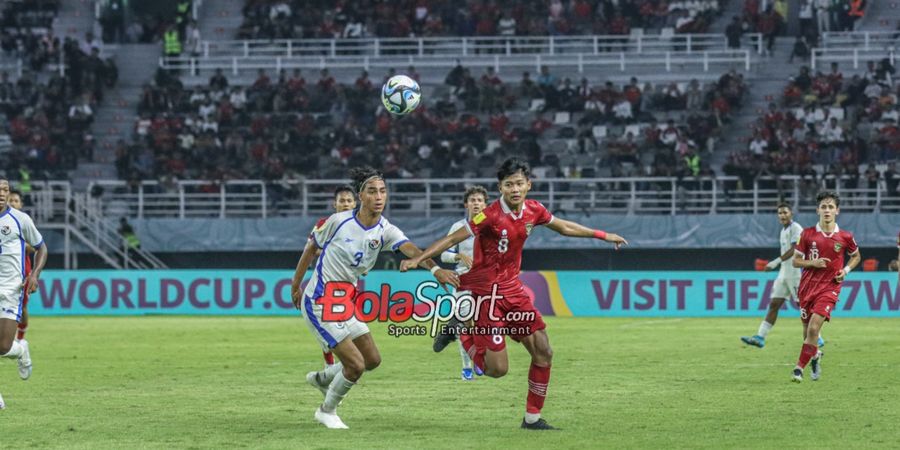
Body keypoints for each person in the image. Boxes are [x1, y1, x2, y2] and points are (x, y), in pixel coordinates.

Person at [399, 158, 627, 430]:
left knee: (544, 351)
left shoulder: (534, 210)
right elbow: (452, 239)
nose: (515, 189)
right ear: (501, 188)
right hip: (485, 294)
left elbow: (564, 227)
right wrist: (419, 259)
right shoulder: (489, 215)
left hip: (513, 291)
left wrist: (603, 235)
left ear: (528, 185)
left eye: (519, 183)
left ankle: (532, 419)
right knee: (497, 370)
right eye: (509, 185)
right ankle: (462, 330)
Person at [295, 167, 458, 429]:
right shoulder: (338, 222)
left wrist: (435, 268)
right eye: (372, 191)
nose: (379, 196)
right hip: (320, 301)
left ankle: (324, 379)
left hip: (345, 302)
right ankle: (327, 410)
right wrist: (296, 286)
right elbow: (310, 247)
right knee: (356, 366)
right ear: (361, 195)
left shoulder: (385, 229)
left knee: (372, 360)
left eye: (383, 191)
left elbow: (411, 249)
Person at [790, 191, 861, 382]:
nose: (827, 210)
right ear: (817, 210)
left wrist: (845, 271)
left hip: (829, 288)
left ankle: (798, 369)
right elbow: (795, 262)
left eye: (831, 207)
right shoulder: (806, 234)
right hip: (807, 287)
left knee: (814, 329)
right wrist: (813, 263)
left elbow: (856, 256)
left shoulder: (845, 236)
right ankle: (815, 355)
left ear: (837, 211)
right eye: (824, 206)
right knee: (807, 332)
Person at [291, 185, 357, 370]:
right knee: (329, 323)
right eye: (342, 201)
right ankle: (332, 367)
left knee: (345, 324)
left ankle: (344, 367)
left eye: (349, 201)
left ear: (355, 203)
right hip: (326, 282)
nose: (345, 204)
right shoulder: (325, 224)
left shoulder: (361, 227)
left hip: (348, 283)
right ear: (334, 204)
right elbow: (311, 249)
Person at [741, 204, 824, 348]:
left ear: (791, 213)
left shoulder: (796, 228)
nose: (782, 215)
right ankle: (760, 337)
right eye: (779, 213)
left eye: (785, 212)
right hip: (784, 273)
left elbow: (795, 249)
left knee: (803, 306)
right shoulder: (783, 230)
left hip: (795, 273)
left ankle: (817, 337)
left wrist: (775, 262)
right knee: (774, 304)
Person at [0, 179, 47, 409]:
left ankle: (21, 349)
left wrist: (34, 274)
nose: (2, 194)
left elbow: (41, 248)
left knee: (2, 347)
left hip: (10, 290)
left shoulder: (20, 219)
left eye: (5, 190)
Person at [438, 185, 489, 380]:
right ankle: (467, 365)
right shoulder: (458, 227)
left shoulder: (492, 226)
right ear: (466, 204)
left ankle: (479, 358)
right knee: (465, 323)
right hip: (463, 281)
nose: (476, 203)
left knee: (484, 324)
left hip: (486, 282)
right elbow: (444, 254)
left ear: (485, 204)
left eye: (479, 200)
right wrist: (458, 256)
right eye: (473, 200)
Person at [7, 190, 33, 343]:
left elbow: (35, 247)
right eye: (10, 200)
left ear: (21, 204)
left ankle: (21, 338)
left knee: (21, 307)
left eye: (16, 200)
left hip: (22, 271)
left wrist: (17, 245)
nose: (13, 203)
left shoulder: (25, 222)